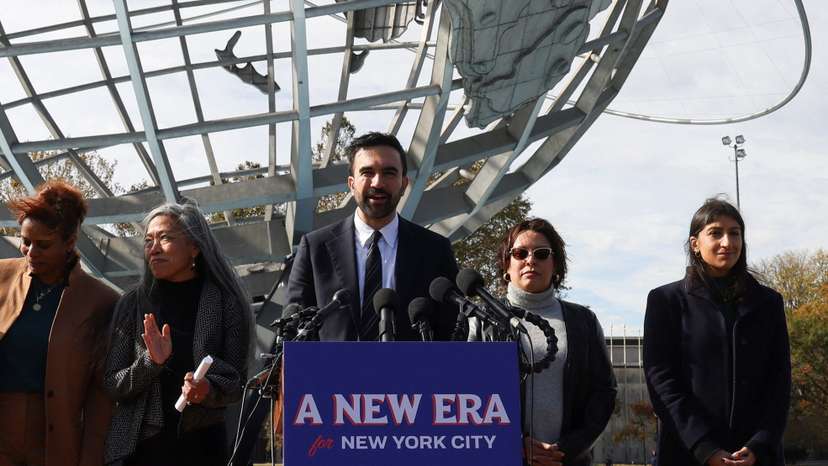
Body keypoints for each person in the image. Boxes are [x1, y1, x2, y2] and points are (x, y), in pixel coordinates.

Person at [643, 198, 790, 466]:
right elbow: (662, 381)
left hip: (755, 455)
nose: (727, 242)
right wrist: (705, 447)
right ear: (695, 244)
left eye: (735, 233)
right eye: (715, 233)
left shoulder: (769, 302)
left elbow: (779, 382)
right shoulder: (666, 301)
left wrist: (759, 444)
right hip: (687, 453)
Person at [103, 201, 251, 466]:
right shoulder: (133, 304)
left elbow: (237, 383)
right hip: (140, 449)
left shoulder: (225, 302)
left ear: (194, 247)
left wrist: (206, 389)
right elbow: (113, 384)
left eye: (165, 238)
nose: (154, 248)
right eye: (148, 241)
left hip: (202, 446)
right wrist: (152, 362)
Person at [287, 131, 459, 341]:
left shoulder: (435, 250)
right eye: (367, 172)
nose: (377, 183)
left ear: (404, 184)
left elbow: (452, 332)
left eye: (389, 173)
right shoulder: (315, 248)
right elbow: (295, 330)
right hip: (331, 364)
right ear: (351, 184)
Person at [474, 218, 616, 466]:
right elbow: (469, 394)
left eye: (541, 254)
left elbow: (603, 392)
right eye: (520, 253)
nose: (530, 260)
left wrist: (567, 448)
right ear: (506, 265)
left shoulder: (583, 321)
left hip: (566, 459)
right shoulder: (480, 320)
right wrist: (513, 443)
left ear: (555, 265)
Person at [0, 180, 119, 466]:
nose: (30, 252)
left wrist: (91, 457)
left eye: (43, 245)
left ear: (69, 242)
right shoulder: (2, 276)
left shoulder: (101, 300)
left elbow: (101, 396)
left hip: (55, 442)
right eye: (25, 241)